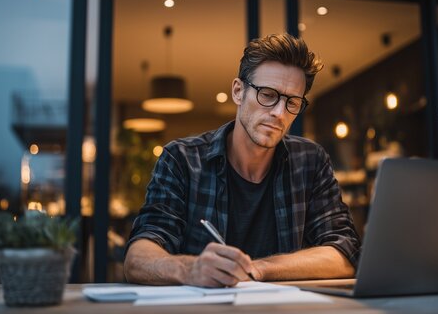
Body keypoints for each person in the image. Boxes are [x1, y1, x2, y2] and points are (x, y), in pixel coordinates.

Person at [124, 33, 361, 287]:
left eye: (292, 102)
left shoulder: (311, 161)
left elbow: (345, 253)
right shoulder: (182, 159)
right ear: (238, 91)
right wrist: (189, 269)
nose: (279, 113)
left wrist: (256, 269)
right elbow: (137, 259)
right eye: (268, 95)